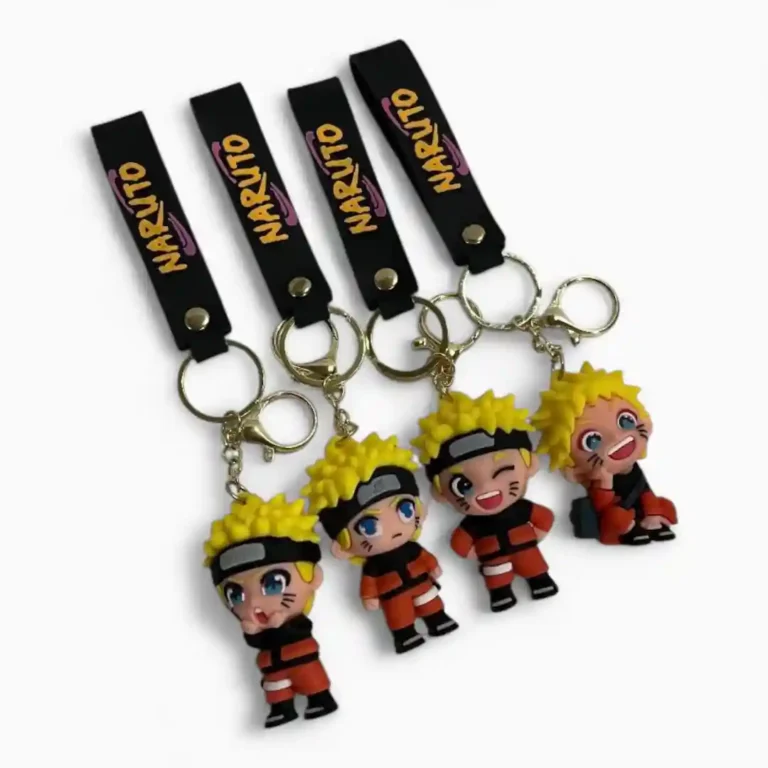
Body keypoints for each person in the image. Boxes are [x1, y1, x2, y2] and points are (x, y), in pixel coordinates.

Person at [303, 433, 459, 654]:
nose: (394, 527)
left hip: (421, 583)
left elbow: (425, 558)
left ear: (419, 510)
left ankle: (438, 619)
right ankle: (405, 635)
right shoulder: (373, 566)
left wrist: (432, 567)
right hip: (393, 595)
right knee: (399, 616)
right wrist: (370, 597)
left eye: (405, 510)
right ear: (342, 547)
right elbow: (369, 582)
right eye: (369, 526)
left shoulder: (412, 549)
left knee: (431, 603)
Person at [413, 391, 558, 612]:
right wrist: (479, 553)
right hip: (493, 559)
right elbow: (459, 543)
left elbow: (544, 518)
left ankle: (540, 582)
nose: (485, 490)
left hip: (525, 551)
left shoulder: (520, 509)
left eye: (503, 471)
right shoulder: (473, 523)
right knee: (498, 579)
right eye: (463, 485)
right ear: (440, 492)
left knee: (534, 567)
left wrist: (535, 536)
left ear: (530, 464)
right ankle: (501, 594)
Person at [204, 493, 337, 728]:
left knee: (311, 679)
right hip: (271, 664)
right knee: (275, 687)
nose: (254, 601)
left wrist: (283, 623)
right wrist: (252, 631)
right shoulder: (257, 628)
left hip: (300, 657)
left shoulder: (295, 620)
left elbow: (302, 628)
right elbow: (256, 641)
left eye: (274, 584)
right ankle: (281, 708)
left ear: (313, 577)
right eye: (236, 595)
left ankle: (320, 699)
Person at [532, 362, 677, 545]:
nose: (617, 437)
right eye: (592, 440)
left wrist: (652, 513)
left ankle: (653, 524)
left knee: (659, 505)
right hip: (614, 519)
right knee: (616, 516)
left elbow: (645, 492)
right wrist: (605, 484)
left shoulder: (634, 470)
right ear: (573, 469)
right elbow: (602, 506)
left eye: (626, 420)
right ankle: (630, 530)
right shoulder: (599, 477)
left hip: (638, 511)